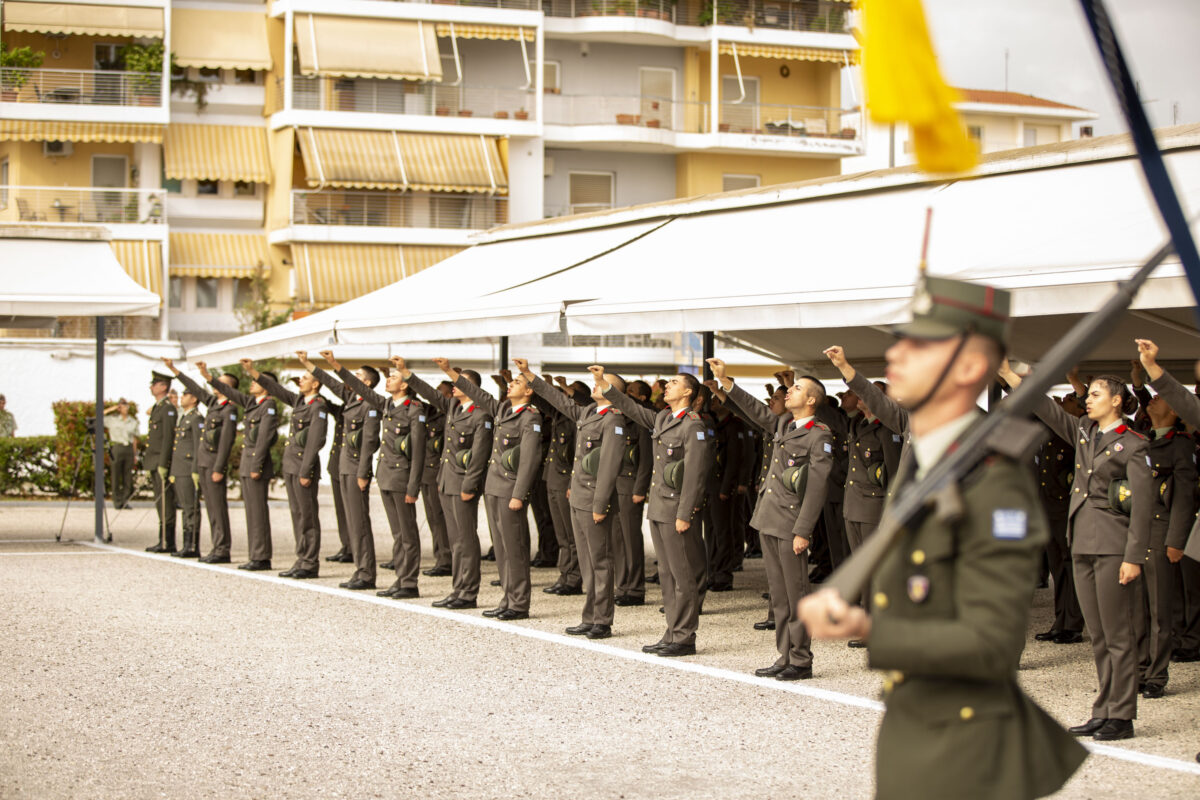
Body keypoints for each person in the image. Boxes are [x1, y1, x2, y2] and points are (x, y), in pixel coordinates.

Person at [801, 275, 1086, 800]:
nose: (897, 364)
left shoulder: (991, 465)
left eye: (917, 351)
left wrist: (868, 623)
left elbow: (992, 621)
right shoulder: (922, 436)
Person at [1000, 361, 1151, 741]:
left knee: (1118, 635)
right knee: (1099, 636)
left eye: (1095, 394)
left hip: (1114, 548)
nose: (1087, 400)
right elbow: (1044, 406)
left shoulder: (1134, 445)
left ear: (1117, 401)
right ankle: (1104, 709)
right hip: (1082, 542)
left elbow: (1144, 506)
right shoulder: (1085, 432)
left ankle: (1123, 714)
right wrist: (1007, 373)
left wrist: (1134, 556)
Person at [708, 358, 832, 680]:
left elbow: (816, 489)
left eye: (797, 389)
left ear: (812, 400)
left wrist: (803, 531)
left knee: (797, 594)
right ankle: (785, 655)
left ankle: (801, 660)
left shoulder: (819, 436)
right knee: (779, 596)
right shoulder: (783, 425)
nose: (789, 391)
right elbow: (754, 409)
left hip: (791, 524)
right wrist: (727, 382)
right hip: (768, 519)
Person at [591, 366, 710, 657]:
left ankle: (684, 637)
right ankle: (672, 632)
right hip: (659, 508)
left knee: (683, 577)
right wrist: (603, 384)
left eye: (673, 382)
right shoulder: (663, 418)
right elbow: (629, 406)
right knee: (667, 575)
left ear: (688, 392)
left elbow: (695, 473)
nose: (666, 386)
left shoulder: (693, 425)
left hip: (676, 511)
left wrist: (685, 513)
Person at [521, 359, 622, 637]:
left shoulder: (613, 419)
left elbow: (610, 465)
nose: (596, 385)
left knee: (600, 561)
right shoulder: (590, 412)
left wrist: (600, 504)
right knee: (588, 562)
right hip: (578, 496)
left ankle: (602, 620)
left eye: (603, 383)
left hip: (594, 500)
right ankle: (590, 616)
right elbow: (557, 399)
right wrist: (530, 376)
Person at [447, 359, 543, 620]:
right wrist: (449, 372)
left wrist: (519, 494)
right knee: (501, 548)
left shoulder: (530, 417)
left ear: (529, 391)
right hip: (493, 488)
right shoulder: (503, 410)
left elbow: (529, 459)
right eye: (510, 382)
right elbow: (478, 393)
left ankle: (519, 603)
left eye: (517, 383)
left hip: (510, 490)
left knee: (515, 548)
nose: (511, 385)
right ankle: (507, 598)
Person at [400, 358, 493, 610]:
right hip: (446, 482)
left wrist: (470, 485)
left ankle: (468, 592)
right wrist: (407, 374)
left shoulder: (481, 414)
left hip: (463, 484)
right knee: (455, 541)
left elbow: (479, 454)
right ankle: (458, 589)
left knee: (466, 539)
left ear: (471, 387)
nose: (453, 388)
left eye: (458, 384)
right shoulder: (454, 407)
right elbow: (430, 394)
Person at [337, 355, 426, 598]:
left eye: (393, 377)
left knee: (407, 533)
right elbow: (358, 387)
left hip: (402, 478)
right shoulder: (387, 405)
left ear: (405, 384)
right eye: (387, 377)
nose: (388, 380)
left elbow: (418, 453)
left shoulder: (414, 410)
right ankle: (401, 578)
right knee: (397, 533)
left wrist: (413, 487)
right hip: (386, 476)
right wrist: (336, 365)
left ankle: (409, 582)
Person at [1134, 392, 1196, 698]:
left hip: (1161, 532)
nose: (1153, 400)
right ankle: (1140, 668)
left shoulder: (1181, 444)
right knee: (1138, 608)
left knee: (1161, 611)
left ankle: (1156, 676)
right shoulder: (1142, 439)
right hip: (1137, 533)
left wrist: (1175, 541)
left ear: (1173, 410)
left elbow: (1185, 497)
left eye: (1160, 398)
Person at [255, 355, 329, 580]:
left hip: (303, 468)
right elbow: (275, 389)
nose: (301, 382)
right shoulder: (299, 402)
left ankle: (309, 562)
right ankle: (301, 558)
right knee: (297, 514)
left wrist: (306, 471)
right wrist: (253, 372)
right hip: (291, 466)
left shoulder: (318, 406)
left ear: (315, 383)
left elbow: (316, 440)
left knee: (307, 516)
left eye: (305, 378)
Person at [312, 351, 381, 591]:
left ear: (367, 383)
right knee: (352, 522)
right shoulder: (352, 400)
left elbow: (370, 441)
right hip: (344, 468)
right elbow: (332, 384)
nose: (352, 378)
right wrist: (311, 366)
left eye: (358, 375)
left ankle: (366, 573)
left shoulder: (370, 403)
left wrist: (364, 472)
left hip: (355, 470)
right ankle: (360, 570)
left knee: (360, 522)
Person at [201, 362, 279, 572]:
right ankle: (256, 554)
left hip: (255, 465)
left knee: (258, 512)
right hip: (247, 465)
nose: (252, 384)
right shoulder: (253, 404)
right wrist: (208, 377)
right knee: (251, 513)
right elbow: (228, 391)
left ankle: (262, 556)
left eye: (257, 381)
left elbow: (264, 438)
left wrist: (256, 465)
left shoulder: (268, 406)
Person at [168, 360, 238, 565]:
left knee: (218, 508)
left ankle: (223, 549)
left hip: (214, 465)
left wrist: (219, 467)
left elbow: (226, 442)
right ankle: (217, 547)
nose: (215, 384)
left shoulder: (229, 410)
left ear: (229, 388)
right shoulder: (214, 404)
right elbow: (196, 388)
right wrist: (175, 371)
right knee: (211, 509)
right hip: (204, 463)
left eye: (220, 382)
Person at [144, 371, 177, 553]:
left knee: (166, 503)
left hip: (160, 461)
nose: (151, 386)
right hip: (154, 460)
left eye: (154, 384)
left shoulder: (168, 408)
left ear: (163, 386)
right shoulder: (158, 407)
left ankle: (167, 541)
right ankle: (162, 539)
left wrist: (164, 463)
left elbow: (167, 438)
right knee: (160, 502)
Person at [168, 387, 203, 559]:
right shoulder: (184, 418)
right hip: (180, 468)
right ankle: (186, 543)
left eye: (185, 395)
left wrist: (196, 469)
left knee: (191, 507)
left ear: (194, 399)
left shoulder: (196, 419)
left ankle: (193, 545)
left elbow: (198, 446)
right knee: (184, 507)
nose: (181, 398)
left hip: (189, 468)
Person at [103, 398, 138, 508]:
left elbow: (134, 438)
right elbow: (98, 417)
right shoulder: (112, 420)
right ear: (119, 408)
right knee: (116, 475)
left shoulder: (133, 421)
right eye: (122, 406)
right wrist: (111, 409)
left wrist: (135, 453)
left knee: (128, 477)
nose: (125, 408)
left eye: (126, 406)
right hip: (117, 447)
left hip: (128, 448)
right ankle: (117, 501)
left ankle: (125, 501)